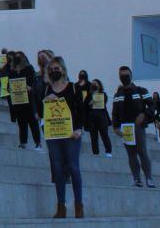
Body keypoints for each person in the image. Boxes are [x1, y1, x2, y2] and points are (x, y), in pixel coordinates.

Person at [42, 56, 85, 218]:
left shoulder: (74, 87)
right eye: (51, 69)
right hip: (54, 134)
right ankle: (61, 206)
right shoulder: (47, 90)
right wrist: (46, 101)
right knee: (58, 170)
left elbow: (81, 110)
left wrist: (79, 129)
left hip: (71, 133)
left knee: (73, 168)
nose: (54, 71)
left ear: (63, 70)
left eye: (57, 68)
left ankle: (79, 205)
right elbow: (42, 113)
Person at [111, 66, 156, 188]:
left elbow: (152, 106)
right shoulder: (117, 94)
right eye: (122, 75)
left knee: (142, 152)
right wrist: (115, 127)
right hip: (126, 127)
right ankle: (137, 179)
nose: (124, 77)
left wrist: (144, 114)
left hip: (138, 126)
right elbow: (114, 112)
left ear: (131, 75)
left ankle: (149, 179)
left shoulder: (141, 91)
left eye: (126, 75)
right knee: (131, 154)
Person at [8, 51, 41, 150]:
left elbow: (34, 83)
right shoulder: (12, 71)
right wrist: (9, 88)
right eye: (16, 57)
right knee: (21, 123)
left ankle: (38, 142)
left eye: (19, 57)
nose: (17, 59)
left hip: (29, 100)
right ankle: (23, 142)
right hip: (18, 100)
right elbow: (9, 83)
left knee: (33, 122)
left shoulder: (29, 68)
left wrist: (30, 87)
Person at [87, 78, 113, 157]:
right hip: (92, 118)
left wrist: (92, 102)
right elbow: (87, 104)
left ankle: (108, 151)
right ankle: (95, 152)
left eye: (96, 83)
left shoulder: (103, 94)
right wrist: (92, 102)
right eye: (93, 83)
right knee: (93, 136)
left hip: (102, 117)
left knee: (104, 134)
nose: (94, 85)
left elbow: (101, 102)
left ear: (99, 85)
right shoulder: (89, 95)